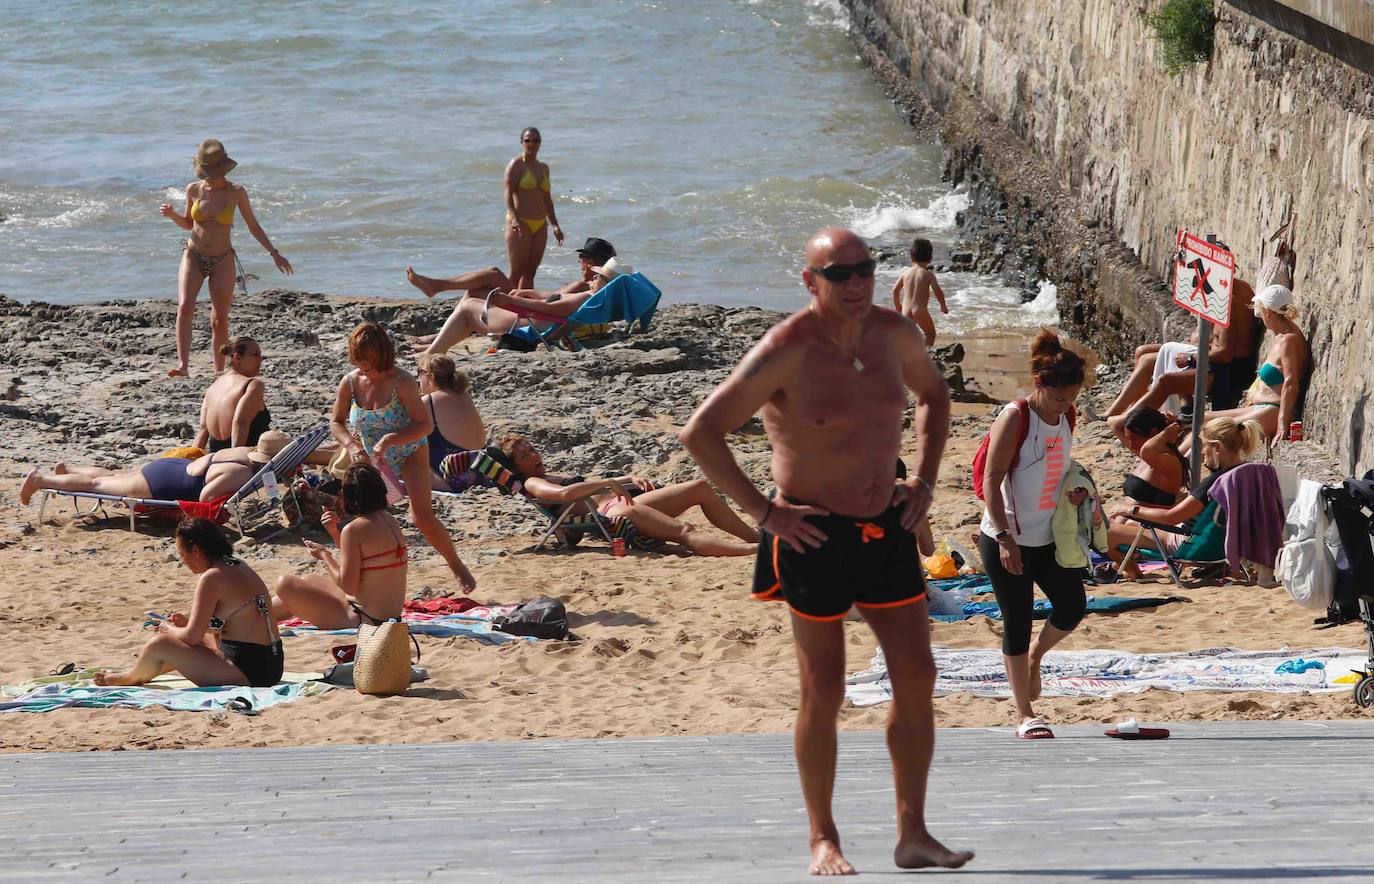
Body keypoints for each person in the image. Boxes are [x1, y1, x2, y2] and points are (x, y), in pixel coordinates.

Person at [680, 227, 971, 875]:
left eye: (865, 268)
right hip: (812, 535)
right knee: (826, 688)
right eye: (839, 273)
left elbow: (936, 396)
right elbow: (702, 432)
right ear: (809, 282)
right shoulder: (787, 349)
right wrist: (763, 512)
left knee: (918, 675)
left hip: (886, 526)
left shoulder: (896, 334)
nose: (857, 281)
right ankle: (823, 838)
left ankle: (913, 833)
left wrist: (923, 479)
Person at [978, 331, 1087, 742]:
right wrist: (1004, 537)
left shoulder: (1067, 416)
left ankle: (1035, 660)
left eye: (1072, 398)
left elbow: (1055, 469)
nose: (1066, 406)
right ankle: (1025, 714)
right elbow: (992, 479)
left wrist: (1072, 492)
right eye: (1060, 399)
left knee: (1072, 606)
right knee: (1017, 620)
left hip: (1049, 537)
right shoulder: (1016, 416)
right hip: (1007, 537)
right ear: (1041, 385)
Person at [330, 321, 476, 591]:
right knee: (367, 519)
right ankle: (365, 575)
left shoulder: (403, 381)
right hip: (371, 457)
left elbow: (424, 425)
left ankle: (457, 565)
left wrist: (390, 439)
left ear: (383, 355)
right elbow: (336, 422)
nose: (366, 369)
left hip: (410, 450)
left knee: (422, 517)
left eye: (371, 363)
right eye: (361, 363)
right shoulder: (350, 382)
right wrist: (351, 445)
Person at [495, 434, 758, 557]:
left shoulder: (546, 474)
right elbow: (565, 494)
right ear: (516, 467)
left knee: (699, 486)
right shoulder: (532, 482)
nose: (534, 455)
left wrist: (629, 479)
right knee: (684, 530)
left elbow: (591, 488)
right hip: (611, 514)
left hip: (620, 501)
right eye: (525, 455)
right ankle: (750, 550)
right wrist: (608, 481)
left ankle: (756, 538)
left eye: (532, 449)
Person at [95, 518, 283, 687]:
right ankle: (143, 670)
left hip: (250, 674)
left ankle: (128, 677)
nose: (182, 561)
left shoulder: (212, 577)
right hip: (271, 666)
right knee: (185, 642)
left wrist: (168, 628)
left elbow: (191, 638)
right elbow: (232, 625)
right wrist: (186, 626)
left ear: (195, 551)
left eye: (182, 555)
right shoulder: (238, 566)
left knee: (160, 644)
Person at [160, 139, 292, 378]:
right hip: (193, 255)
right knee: (184, 307)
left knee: (219, 319)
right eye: (207, 172)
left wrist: (274, 253)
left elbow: (253, 225)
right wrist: (172, 216)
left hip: (223, 259)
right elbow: (188, 224)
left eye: (213, 172)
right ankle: (183, 366)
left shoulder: (236, 192)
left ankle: (219, 371)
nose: (209, 177)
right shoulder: (194, 189)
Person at [1155, 284, 1308, 446]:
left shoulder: (1288, 340)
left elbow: (1291, 382)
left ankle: (1180, 465)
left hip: (1271, 410)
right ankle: (1180, 459)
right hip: (1260, 407)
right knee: (1203, 419)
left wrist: (1282, 424)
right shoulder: (1280, 336)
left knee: (1212, 432)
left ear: (1268, 312)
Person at [407, 237, 616, 352]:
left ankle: (436, 289)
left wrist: (513, 299)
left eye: (580, 258)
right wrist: (530, 292)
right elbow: (555, 298)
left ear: (589, 262)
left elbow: (552, 306)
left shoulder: (585, 289)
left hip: (534, 317)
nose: (579, 263)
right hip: (540, 313)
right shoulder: (592, 288)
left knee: (491, 276)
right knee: (477, 290)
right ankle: (439, 336)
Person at [1105, 416, 1264, 563]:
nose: (1202, 452)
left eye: (1205, 446)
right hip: (1227, 543)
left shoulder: (1215, 482)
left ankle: (1131, 573)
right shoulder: (1248, 473)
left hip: (1190, 544)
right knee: (1132, 524)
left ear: (1217, 447)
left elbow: (1171, 517)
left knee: (1108, 533)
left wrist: (1129, 509)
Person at [272, 464, 408, 628]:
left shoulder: (354, 529)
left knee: (284, 584)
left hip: (363, 618)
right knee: (309, 581)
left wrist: (324, 555)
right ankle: (259, 616)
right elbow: (361, 564)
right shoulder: (389, 519)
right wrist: (335, 532)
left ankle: (253, 615)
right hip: (383, 614)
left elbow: (348, 586)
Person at [19, 431, 287, 507]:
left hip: (174, 467)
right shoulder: (241, 473)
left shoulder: (242, 452)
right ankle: (40, 479)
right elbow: (206, 499)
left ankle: (68, 469)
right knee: (97, 487)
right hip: (165, 483)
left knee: (114, 478)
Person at [504, 126, 563, 290]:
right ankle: (503, 307)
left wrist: (555, 225)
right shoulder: (515, 165)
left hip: (539, 223)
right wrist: (514, 218)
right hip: (520, 222)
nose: (531, 144)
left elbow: (547, 199)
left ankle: (524, 310)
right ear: (521, 142)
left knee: (530, 272)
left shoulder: (543, 168)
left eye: (535, 141)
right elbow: (507, 194)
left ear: (540, 143)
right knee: (517, 271)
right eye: (527, 140)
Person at [418, 354, 486, 490]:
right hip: (482, 471)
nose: (418, 378)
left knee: (408, 450)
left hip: (456, 479)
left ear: (430, 377)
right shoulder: (463, 394)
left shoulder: (429, 401)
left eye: (420, 373)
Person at [193, 336, 270, 452]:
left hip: (216, 459)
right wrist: (233, 459)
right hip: (247, 460)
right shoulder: (252, 385)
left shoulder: (213, 387)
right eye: (255, 354)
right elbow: (239, 423)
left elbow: (203, 430)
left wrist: (191, 458)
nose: (261, 359)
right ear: (237, 357)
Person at [1105, 406, 1188, 511]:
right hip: (1130, 522)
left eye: (1134, 439)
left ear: (1153, 433)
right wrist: (1161, 416)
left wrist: (1165, 432)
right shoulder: (1147, 455)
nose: (1131, 446)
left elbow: (1147, 450)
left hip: (1151, 525)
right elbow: (1112, 422)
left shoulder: (1168, 460)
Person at [892, 237, 948, 346]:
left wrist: (898, 306)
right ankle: (926, 356)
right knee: (930, 334)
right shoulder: (928, 274)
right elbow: (938, 291)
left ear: (911, 257)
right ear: (930, 259)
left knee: (908, 337)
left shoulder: (905, 273)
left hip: (905, 311)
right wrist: (943, 305)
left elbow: (895, 290)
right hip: (920, 310)